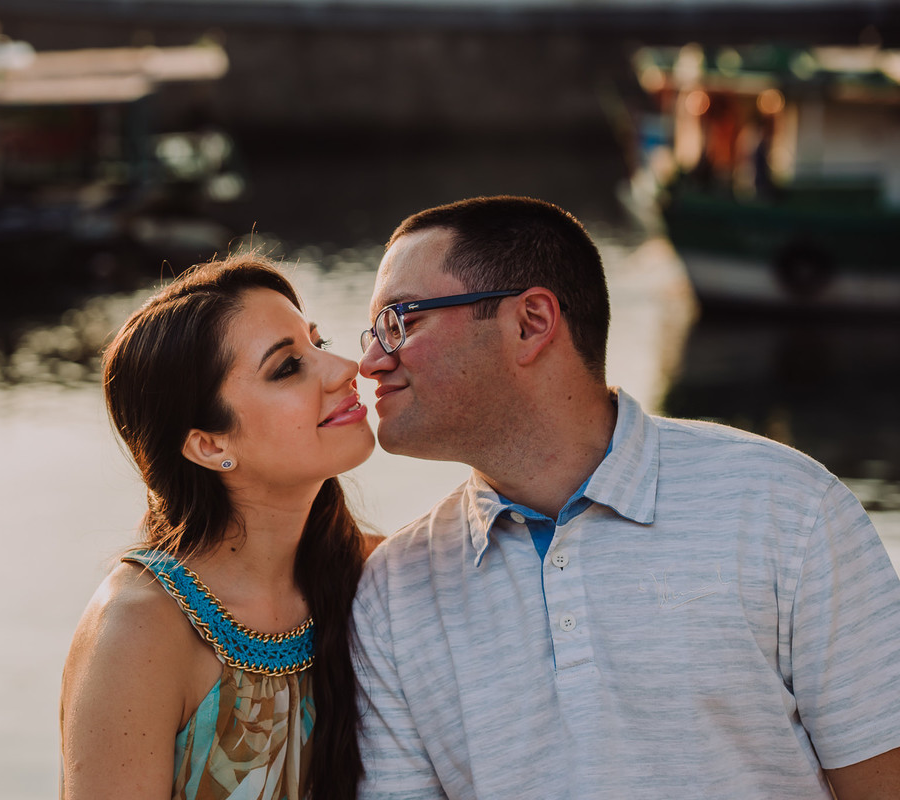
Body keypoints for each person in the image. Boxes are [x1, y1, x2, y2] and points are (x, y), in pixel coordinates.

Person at [352, 195, 900, 799]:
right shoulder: (393, 590)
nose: (371, 361)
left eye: (400, 320)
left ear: (531, 322)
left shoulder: (789, 510)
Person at [60, 254, 378, 800]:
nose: (345, 367)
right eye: (287, 367)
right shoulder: (139, 626)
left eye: (317, 345)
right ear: (210, 445)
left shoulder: (376, 572)